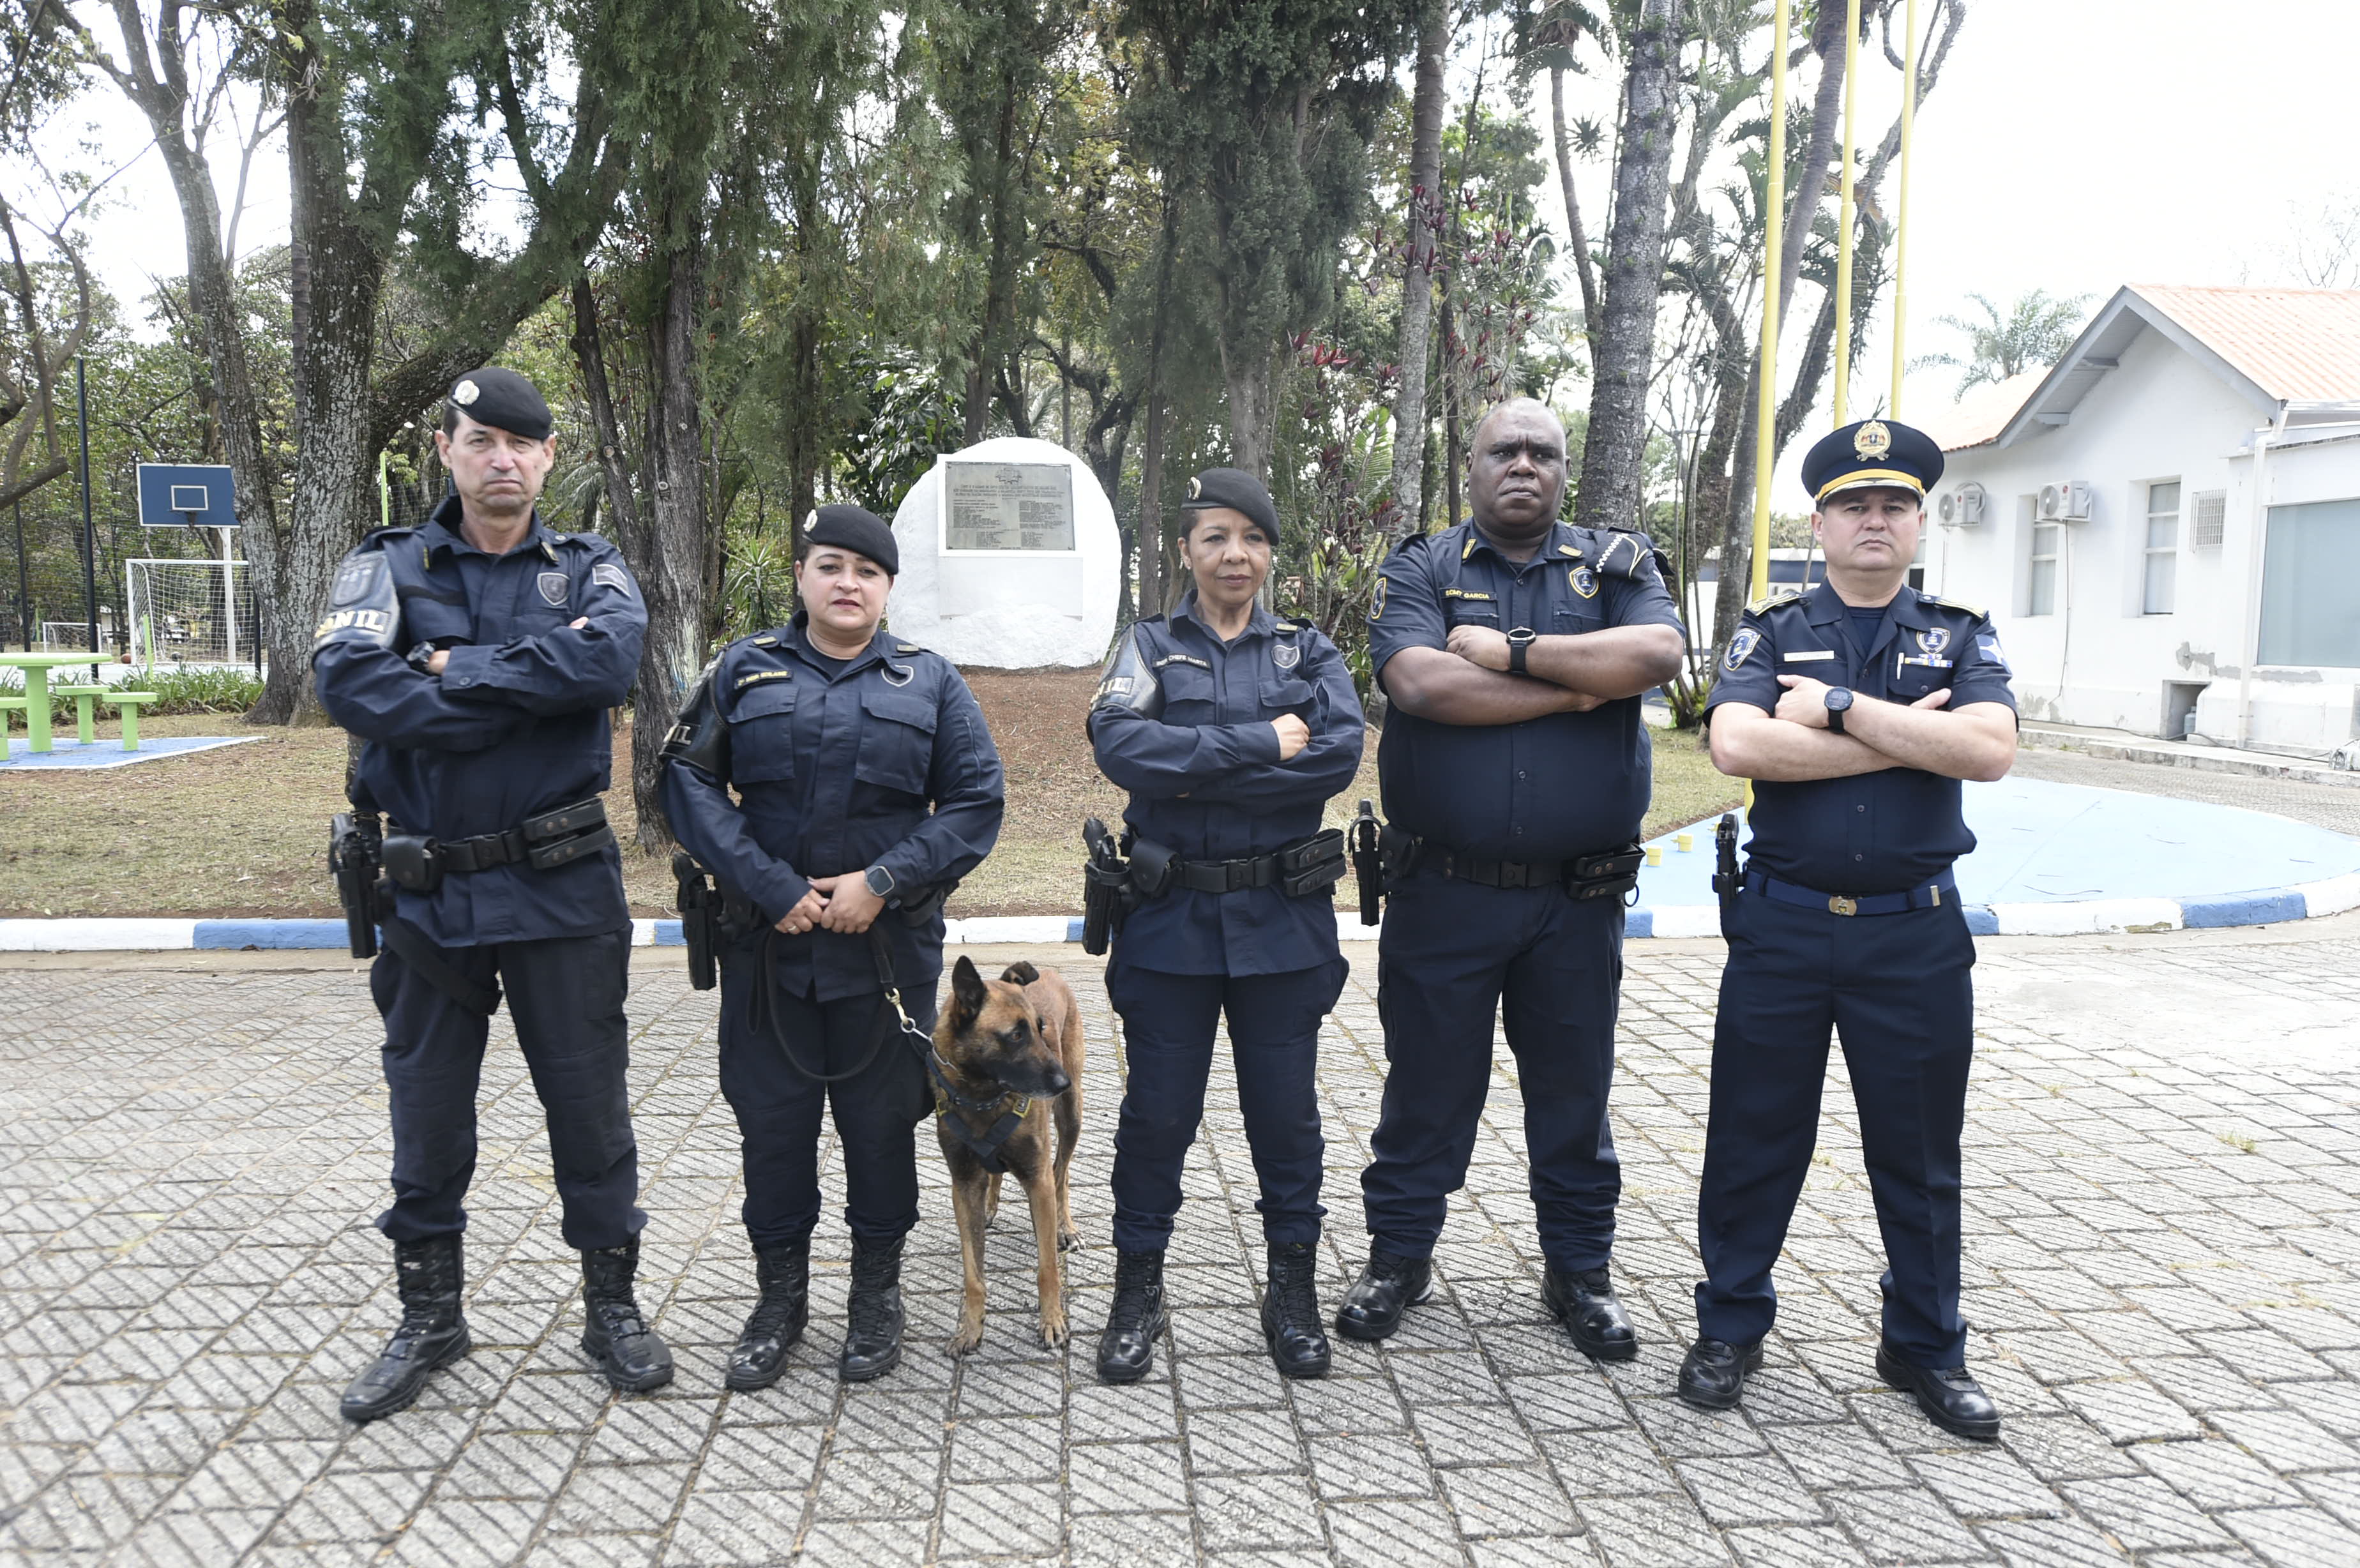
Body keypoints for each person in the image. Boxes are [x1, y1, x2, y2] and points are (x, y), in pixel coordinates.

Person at [315, 368, 665, 1422]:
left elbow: (606, 668)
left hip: (562, 888)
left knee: (590, 1110)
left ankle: (611, 1309)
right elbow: (350, 683)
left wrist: (450, 672)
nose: (501, 458)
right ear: (447, 449)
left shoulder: (590, 567)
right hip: (428, 895)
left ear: (550, 456)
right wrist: (521, 687)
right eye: (481, 439)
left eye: (521, 442)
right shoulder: (386, 562)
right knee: (426, 1115)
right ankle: (430, 1317)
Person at [1684, 418, 2018, 1440]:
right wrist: (1918, 736)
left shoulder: (1960, 634)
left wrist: (1834, 708)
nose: (1875, 520)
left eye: (1894, 505)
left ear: (1919, 523)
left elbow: (1989, 751)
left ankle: (1924, 1344)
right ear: (1821, 525)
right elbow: (1737, 745)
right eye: (1854, 506)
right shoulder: (1771, 631)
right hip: (1783, 932)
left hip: (1914, 940)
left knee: (1919, 1154)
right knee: (1752, 1141)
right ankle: (1729, 1326)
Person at [1339, 398, 1687, 1356]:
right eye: (1505, 451)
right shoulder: (1424, 568)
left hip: (1578, 899)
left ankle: (1579, 1272)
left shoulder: (1617, 565)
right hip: (1443, 893)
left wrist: (1516, 653)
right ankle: (1399, 1257)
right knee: (1426, 1089)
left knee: (1574, 1096)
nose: (1524, 465)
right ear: (1473, 465)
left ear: (1564, 469)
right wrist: (1577, 688)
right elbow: (1420, 685)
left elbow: (1656, 654)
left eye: (1543, 452)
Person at [661, 504, 1005, 1387]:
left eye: (867, 571)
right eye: (830, 566)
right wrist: (767, 884)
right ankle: (779, 1302)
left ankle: (876, 1296)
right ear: (802, 576)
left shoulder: (930, 682)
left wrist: (881, 881)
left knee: (882, 1131)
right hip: (766, 956)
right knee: (772, 1131)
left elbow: (977, 801)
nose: (848, 583)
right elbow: (687, 780)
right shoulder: (743, 669)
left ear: (887, 589)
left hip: (884, 961)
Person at [1086, 468, 1366, 1384]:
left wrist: (1189, 769)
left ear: (1269, 554)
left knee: (1285, 1119)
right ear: (1186, 550)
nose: (1234, 554)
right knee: (1157, 1117)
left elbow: (1335, 758)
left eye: (1251, 538)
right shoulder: (1148, 646)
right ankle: (1138, 1289)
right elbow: (1121, 746)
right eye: (1215, 537)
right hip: (1169, 923)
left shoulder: (1307, 654)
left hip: (1280, 924)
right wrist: (1256, 746)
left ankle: (1291, 1291)